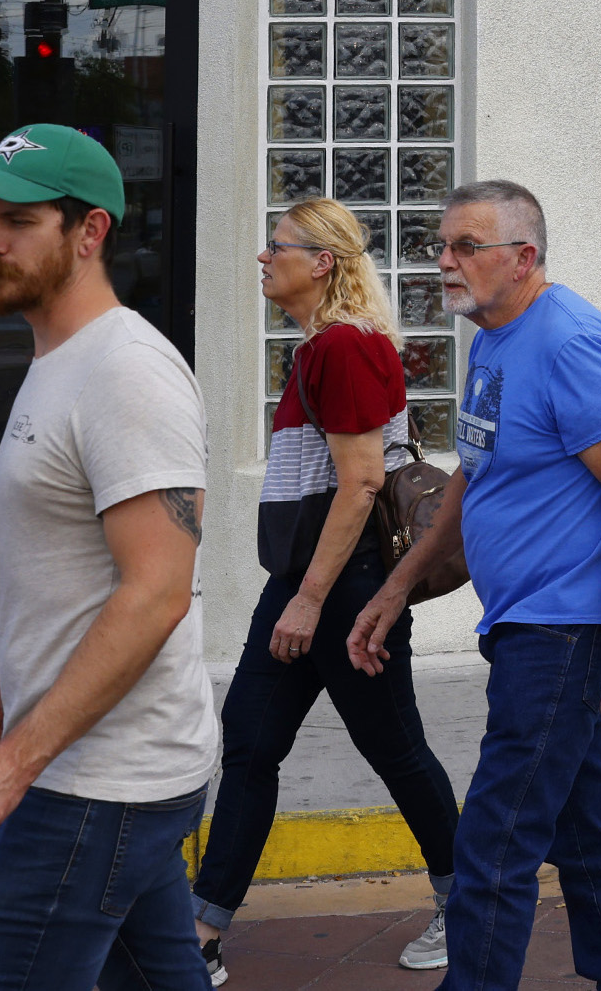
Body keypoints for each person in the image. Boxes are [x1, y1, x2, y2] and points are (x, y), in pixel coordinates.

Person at [349, 180, 601, 991]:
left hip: (564, 630)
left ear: (523, 257)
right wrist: (399, 583)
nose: (445, 262)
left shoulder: (571, 342)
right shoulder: (492, 338)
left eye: (467, 246)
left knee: (496, 838)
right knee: (584, 825)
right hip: (524, 622)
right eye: (442, 244)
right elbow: (477, 471)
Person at [0, 123, 217, 991]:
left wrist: (16, 759)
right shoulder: (60, 361)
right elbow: (69, 590)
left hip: (95, 782)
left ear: (90, 233)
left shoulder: (127, 373)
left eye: (18, 221)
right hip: (107, 766)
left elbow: (157, 591)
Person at [190, 199, 462, 983]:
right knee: (248, 739)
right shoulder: (331, 345)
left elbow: (362, 482)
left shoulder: (341, 347)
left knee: (394, 746)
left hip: (341, 589)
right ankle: (203, 931)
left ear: (323, 262)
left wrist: (308, 599)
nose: (263, 257)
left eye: (276, 246)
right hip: (310, 582)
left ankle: (465, 898)